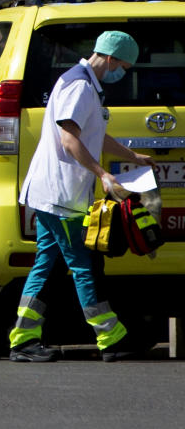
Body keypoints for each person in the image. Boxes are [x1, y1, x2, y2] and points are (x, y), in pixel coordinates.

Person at [10, 30, 156, 362]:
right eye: (124, 66)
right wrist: (103, 174)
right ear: (110, 58)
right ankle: (111, 337)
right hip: (61, 196)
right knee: (84, 264)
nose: (123, 72)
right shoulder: (80, 86)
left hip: (57, 194)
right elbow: (70, 140)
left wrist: (132, 157)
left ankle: (22, 338)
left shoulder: (84, 84)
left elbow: (94, 135)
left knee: (46, 265)